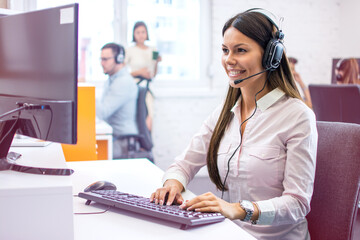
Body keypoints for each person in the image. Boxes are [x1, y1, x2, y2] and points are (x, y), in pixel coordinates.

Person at [150, 9, 318, 240]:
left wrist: (238, 209)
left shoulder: (297, 116)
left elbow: (298, 203)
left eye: (241, 50)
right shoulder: (225, 111)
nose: (229, 59)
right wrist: (172, 184)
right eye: (225, 50)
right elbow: (184, 163)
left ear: (271, 56)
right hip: (226, 233)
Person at [96, 42, 139, 159]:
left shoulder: (123, 82)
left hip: (122, 141)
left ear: (119, 59)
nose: (101, 63)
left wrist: (86, 90)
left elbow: (102, 112)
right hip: (114, 136)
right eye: (101, 59)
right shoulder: (111, 80)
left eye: (105, 59)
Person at [125, 21, 161, 131]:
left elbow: (153, 74)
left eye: (143, 32)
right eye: (138, 32)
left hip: (147, 87)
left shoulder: (153, 50)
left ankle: (146, 143)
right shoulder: (130, 50)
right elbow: (123, 73)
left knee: (149, 116)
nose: (141, 35)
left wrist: (157, 63)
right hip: (134, 87)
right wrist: (139, 72)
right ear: (134, 35)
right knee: (136, 116)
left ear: (147, 34)